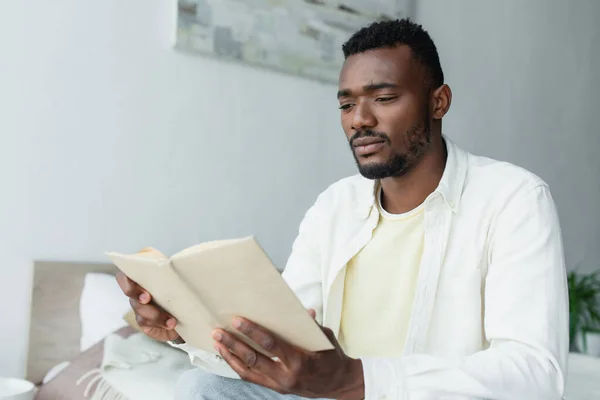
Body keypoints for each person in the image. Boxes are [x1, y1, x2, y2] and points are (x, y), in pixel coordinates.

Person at [116, 18, 568, 399]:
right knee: (202, 388)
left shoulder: (514, 199)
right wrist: (182, 327)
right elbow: (285, 342)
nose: (359, 119)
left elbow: (536, 373)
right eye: (347, 104)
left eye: (384, 98)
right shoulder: (335, 206)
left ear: (438, 102)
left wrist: (357, 379)